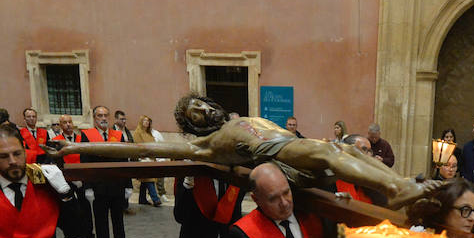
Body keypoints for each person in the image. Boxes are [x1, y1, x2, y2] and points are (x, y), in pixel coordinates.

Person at [49, 95, 437, 208]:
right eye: (195, 114)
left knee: (345, 152)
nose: (203, 111)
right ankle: (396, 189)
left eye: (200, 104)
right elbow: (136, 148)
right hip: (284, 156)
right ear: (194, 126)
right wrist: (71, 148)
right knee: (331, 155)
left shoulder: (241, 117)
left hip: (293, 151)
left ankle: (401, 187)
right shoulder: (203, 145)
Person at [75, 105, 135, 238]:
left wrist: (128, 185)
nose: (103, 118)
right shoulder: (87, 136)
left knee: (119, 222)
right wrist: (87, 187)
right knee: (101, 223)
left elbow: (124, 161)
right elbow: (85, 162)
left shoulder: (117, 135)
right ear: (94, 118)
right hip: (98, 188)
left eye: (105, 115)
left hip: (117, 186)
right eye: (99, 115)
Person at [132, 115, 165, 207]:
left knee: (145, 180)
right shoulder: (137, 133)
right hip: (143, 159)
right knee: (149, 178)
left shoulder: (149, 133)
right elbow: (137, 146)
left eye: (148, 121)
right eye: (145, 120)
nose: (147, 122)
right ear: (141, 121)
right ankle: (155, 199)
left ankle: (142, 199)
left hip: (151, 159)